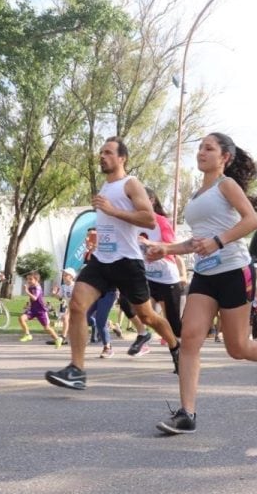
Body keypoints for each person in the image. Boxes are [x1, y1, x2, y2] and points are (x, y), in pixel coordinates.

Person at [149, 132, 257, 435]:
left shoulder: (227, 185)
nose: (201, 153)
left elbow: (251, 221)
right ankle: (187, 413)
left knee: (237, 347)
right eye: (199, 148)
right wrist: (166, 249)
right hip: (205, 276)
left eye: (209, 148)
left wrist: (219, 241)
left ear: (225, 157)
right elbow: (198, 242)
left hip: (235, 271)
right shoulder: (196, 197)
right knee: (190, 338)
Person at [45, 136, 180, 390]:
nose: (102, 156)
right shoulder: (105, 188)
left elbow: (149, 220)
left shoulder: (131, 184)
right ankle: (77, 370)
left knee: (147, 316)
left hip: (127, 262)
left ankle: (175, 347)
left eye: (108, 152)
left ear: (122, 158)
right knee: (76, 305)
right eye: (101, 152)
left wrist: (112, 210)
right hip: (102, 260)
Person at [130, 187, 187, 356]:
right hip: (147, 277)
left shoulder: (161, 222)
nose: (136, 203)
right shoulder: (132, 222)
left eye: (140, 199)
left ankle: (181, 351)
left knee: (174, 323)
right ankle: (143, 336)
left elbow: (172, 247)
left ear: (151, 201)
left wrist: (148, 244)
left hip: (167, 278)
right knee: (135, 309)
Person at [19, 271, 63, 348]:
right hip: (32, 310)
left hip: (41, 311)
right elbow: (32, 299)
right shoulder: (30, 287)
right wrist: (28, 304)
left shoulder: (37, 287)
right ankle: (27, 334)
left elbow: (35, 298)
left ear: (36, 280)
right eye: (27, 279)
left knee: (47, 328)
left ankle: (57, 338)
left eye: (30, 279)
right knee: (21, 318)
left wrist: (26, 291)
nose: (28, 281)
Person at [49, 267, 76, 345]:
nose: (63, 276)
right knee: (65, 319)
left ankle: (63, 338)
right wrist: (54, 294)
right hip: (70, 306)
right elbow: (61, 298)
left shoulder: (75, 286)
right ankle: (63, 338)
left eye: (66, 275)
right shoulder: (63, 286)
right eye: (63, 275)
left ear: (71, 277)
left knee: (66, 319)